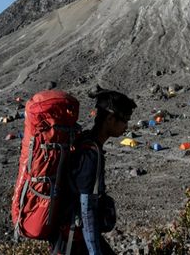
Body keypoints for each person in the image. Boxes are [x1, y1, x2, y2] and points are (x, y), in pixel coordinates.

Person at [51, 86, 137, 255]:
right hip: (73, 239)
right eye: (125, 119)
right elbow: (87, 209)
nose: (126, 126)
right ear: (110, 119)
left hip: (70, 234)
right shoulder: (91, 154)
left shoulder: (84, 140)